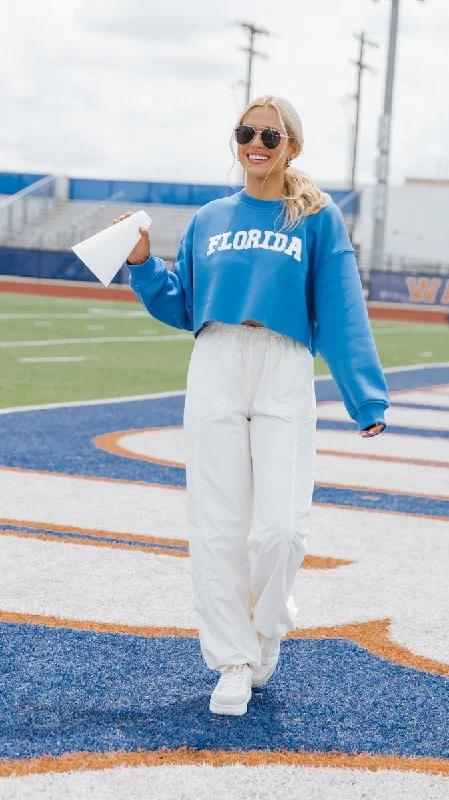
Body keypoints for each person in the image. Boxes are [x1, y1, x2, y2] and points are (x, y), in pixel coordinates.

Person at [114, 95, 390, 717]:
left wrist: (364, 393)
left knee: (281, 529)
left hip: (283, 364)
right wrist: (142, 266)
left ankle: (268, 626)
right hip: (215, 361)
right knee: (217, 526)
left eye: (269, 133)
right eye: (246, 132)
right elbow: (182, 305)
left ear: (292, 144)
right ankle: (233, 660)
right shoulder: (209, 219)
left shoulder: (317, 219)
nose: (255, 142)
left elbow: (343, 311)